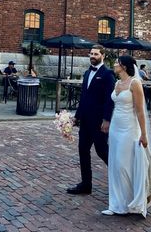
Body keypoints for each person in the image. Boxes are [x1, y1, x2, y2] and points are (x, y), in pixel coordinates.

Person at [102, 55, 151, 217]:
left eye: (117, 63)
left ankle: (131, 202)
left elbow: (141, 111)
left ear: (124, 67)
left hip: (130, 129)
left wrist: (143, 134)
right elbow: (113, 104)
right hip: (115, 128)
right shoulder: (117, 83)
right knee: (114, 165)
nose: (114, 65)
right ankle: (116, 204)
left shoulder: (135, 83)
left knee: (123, 165)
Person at [67, 46, 115, 195]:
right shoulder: (88, 73)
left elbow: (109, 100)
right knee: (83, 150)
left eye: (96, 54)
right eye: (91, 53)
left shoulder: (108, 75)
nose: (93, 56)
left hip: (99, 122)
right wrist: (77, 116)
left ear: (103, 55)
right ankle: (86, 184)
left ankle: (121, 179)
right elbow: (84, 97)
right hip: (86, 121)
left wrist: (107, 119)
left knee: (102, 151)